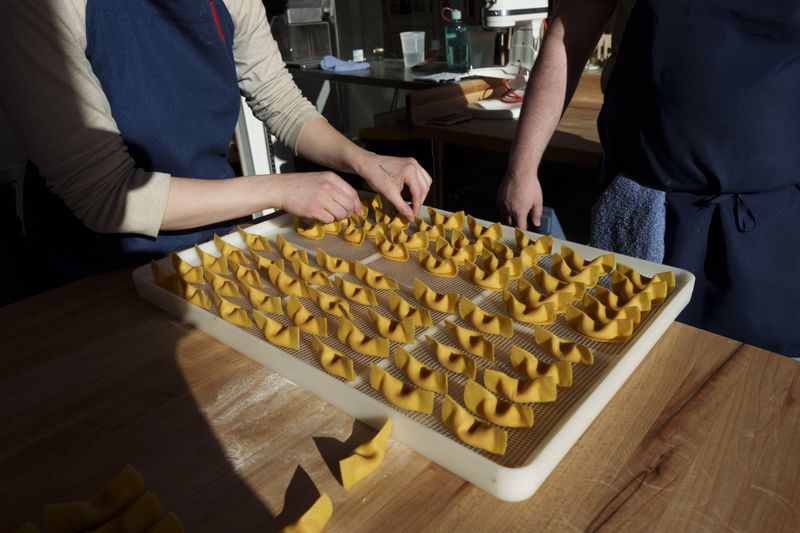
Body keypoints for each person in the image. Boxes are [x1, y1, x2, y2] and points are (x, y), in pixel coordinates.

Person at [0, 0, 432, 289]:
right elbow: (106, 196)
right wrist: (280, 189)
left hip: (215, 246)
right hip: (94, 271)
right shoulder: (39, 9)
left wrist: (365, 160)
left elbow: (279, 100)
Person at [496, 0, 800, 357]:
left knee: (757, 392)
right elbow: (568, 37)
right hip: (647, 217)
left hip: (772, 227)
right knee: (628, 376)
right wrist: (522, 168)